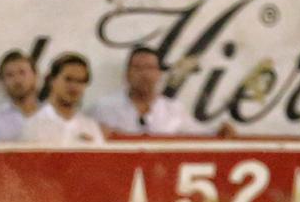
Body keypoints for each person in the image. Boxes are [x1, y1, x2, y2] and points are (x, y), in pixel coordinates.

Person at [91, 46, 233, 138]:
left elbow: (199, 133)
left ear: (159, 74)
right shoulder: (104, 108)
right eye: (138, 68)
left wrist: (220, 132)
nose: (144, 74)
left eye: (150, 68)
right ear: (127, 74)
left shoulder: (174, 109)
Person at [20, 52, 105, 145]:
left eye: (80, 81)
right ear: (51, 80)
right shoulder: (34, 125)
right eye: (68, 79)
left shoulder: (90, 126)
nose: (74, 86)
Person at [0, 50, 40, 141]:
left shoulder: (52, 115)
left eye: (22, 72)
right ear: (2, 82)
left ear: (35, 76)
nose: (17, 80)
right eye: (10, 75)